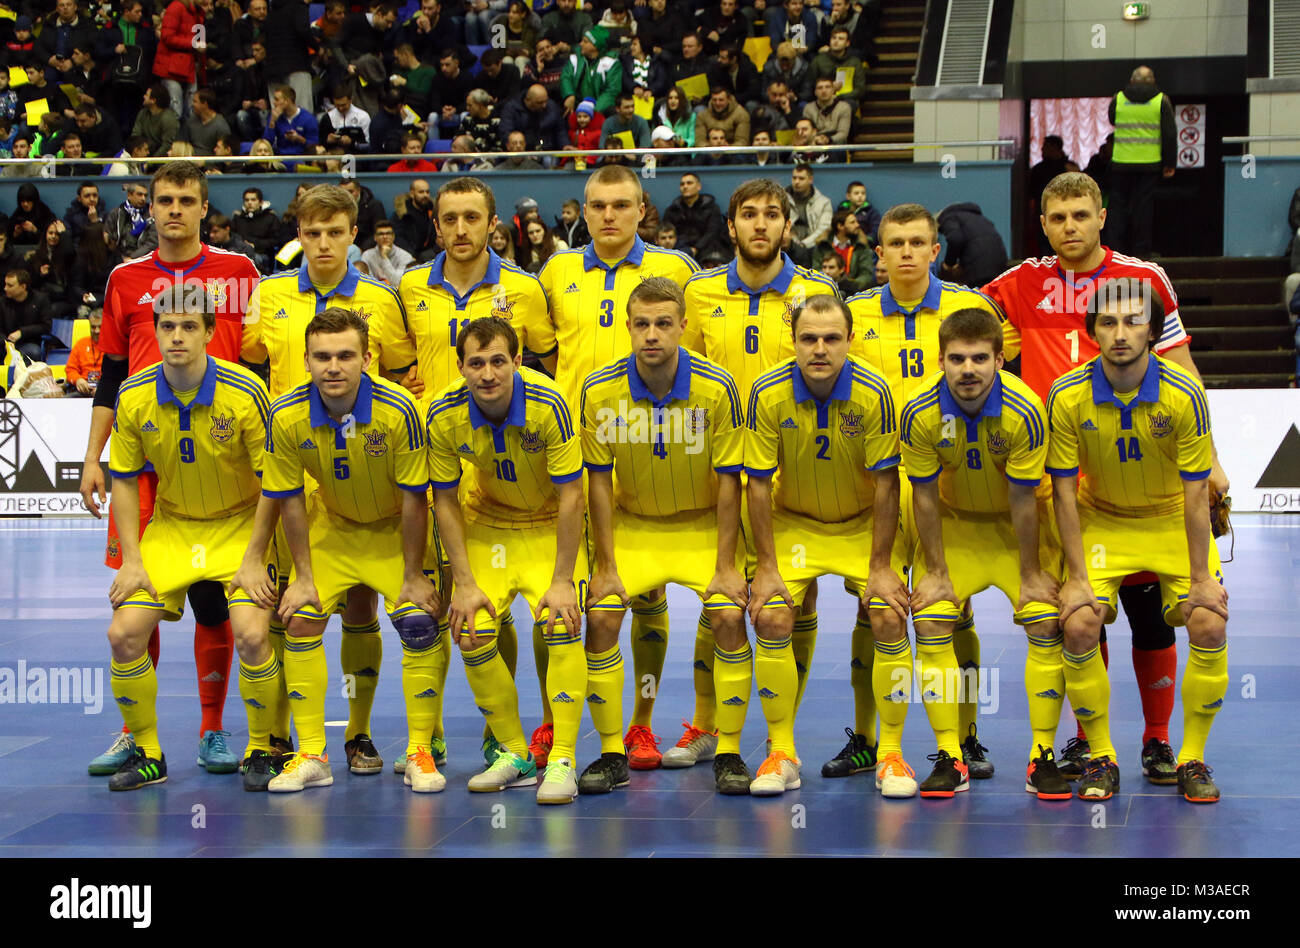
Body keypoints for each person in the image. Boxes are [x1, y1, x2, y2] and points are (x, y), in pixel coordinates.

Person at [982, 171, 1227, 784]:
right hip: (1057, 476)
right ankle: (1091, 742)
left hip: (1146, 471)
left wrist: (1214, 458)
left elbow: (1183, 368)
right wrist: (995, 337)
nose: (1070, 227)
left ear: (1101, 217)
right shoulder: (1019, 282)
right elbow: (959, 326)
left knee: (1150, 612)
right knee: (1079, 610)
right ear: (1043, 224)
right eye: (1058, 217)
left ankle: (1157, 740)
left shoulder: (1145, 280)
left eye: (1081, 215)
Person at [80, 161, 262, 780]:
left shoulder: (238, 273)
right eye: (164, 200)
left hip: (220, 458)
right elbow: (109, 370)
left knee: (216, 601)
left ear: (204, 207)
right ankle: (137, 733)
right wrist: (93, 456)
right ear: (149, 207)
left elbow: (262, 362)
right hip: (145, 455)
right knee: (139, 593)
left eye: (187, 199)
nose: (175, 210)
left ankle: (214, 728)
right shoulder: (125, 279)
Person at [240, 185, 418, 779]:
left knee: (363, 606)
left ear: (352, 235)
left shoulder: (380, 299)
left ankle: (360, 736)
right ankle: (277, 737)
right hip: (290, 471)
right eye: (312, 233)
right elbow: (245, 364)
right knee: (284, 609)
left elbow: (400, 371)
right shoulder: (267, 295)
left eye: (335, 231)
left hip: (363, 476)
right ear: (299, 234)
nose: (322, 244)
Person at [526, 165, 697, 767]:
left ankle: (642, 723)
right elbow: (545, 353)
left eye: (620, 205)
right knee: (564, 594)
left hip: (648, 451)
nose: (607, 216)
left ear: (642, 208)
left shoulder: (677, 271)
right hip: (571, 456)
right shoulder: (556, 271)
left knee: (643, 593)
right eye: (597, 205)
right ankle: (553, 717)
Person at [834, 202, 1004, 782]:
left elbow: (999, 388)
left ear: (937, 251)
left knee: (954, 609)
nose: (906, 252)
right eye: (894, 244)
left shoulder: (969, 308)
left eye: (917, 242)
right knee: (871, 610)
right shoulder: (852, 314)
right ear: (877, 255)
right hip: (877, 485)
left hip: (951, 486)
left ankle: (966, 737)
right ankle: (867, 737)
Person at [680, 180, 840, 773]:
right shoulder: (698, 292)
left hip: (793, 469)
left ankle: (783, 736)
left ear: (788, 227)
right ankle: (707, 726)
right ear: (731, 226)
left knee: (794, 596)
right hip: (717, 467)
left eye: (772, 215)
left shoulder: (814, 291)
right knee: (715, 597)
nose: (761, 225)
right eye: (748, 215)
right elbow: (687, 375)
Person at [1048, 279, 1227, 804]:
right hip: (1102, 520)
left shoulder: (1184, 393)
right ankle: (1102, 755)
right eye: (1108, 322)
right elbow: (1062, 494)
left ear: (1152, 328)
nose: (1120, 334)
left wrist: (1200, 581)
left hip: (1171, 518)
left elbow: (1197, 499)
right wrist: (1077, 577)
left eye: (1132, 321)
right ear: (1091, 331)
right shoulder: (1066, 393)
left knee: (1208, 622)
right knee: (1079, 622)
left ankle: (1189, 756)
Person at [100, 284, 278, 792]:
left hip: (240, 525)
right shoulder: (133, 395)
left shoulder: (246, 393)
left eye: (188, 327)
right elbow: (126, 480)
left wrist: (256, 555)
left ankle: (262, 749)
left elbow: (275, 482)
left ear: (209, 331)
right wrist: (132, 560)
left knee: (251, 634)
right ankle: (148, 751)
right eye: (167, 326)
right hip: (174, 527)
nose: (176, 337)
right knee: (123, 634)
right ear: (155, 331)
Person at [576, 276, 746, 794]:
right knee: (601, 618)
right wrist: (604, 565)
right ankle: (612, 751)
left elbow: (729, 480)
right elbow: (598, 485)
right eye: (643, 324)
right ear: (627, 327)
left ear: (683, 328)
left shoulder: (718, 388)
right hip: (634, 526)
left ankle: (730, 749)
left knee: (729, 615)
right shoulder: (599, 389)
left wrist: (725, 565)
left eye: (664, 324)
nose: (652, 334)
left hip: (701, 526)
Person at [262, 307, 442, 792]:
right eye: (322, 357)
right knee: (300, 614)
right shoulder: (285, 415)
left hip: (394, 531)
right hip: (334, 528)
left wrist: (412, 574)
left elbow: (413, 500)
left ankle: (420, 751)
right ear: (306, 360)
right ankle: (311, 752)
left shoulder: (400, 408)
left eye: (345, 355)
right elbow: (290, 499)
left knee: (419, 619)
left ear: (367, 358)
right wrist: (302, 576)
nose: (334, 367)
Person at [743, 294, 906, 796]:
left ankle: (891, 755)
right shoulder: (766, 392)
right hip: (796, 525)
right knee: (770, 613)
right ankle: (781, 751)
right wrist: (766, 567)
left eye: (831, 338)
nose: (820, 349)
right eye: (808, 338)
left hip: (861, 524)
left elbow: (886, 484)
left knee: (887, 612)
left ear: (849, 341)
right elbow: (757, 482)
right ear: (792, 341)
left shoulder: (875, 393)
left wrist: (881, 566)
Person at [901, 307, 1068, 799]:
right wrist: (934, 571)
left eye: (979, 358)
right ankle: (951, 755)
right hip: (954, 528)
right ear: (941, 360)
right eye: (956, 359)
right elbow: (924, 496)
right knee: (931, 617)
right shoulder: (919, 410)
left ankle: (1042, 756)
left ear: (1000, 358)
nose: (967, 369)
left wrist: (1033, 572)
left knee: (1043, 618)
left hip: (1016, 533)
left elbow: (1023, 498)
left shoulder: (1026, 410)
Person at [425, 316, 586, 800]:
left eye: (499, 361)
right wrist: (464, 582)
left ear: (518, 361)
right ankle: (514, 752)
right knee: (471, 625)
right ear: (461, 367)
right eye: (476, 363)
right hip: (490, 521)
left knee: (561, 620)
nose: (488, 374)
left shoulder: (548, 402)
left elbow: (572, 496)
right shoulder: (442, 413)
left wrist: (562, 580)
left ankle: (562, 759)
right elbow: (445, 500)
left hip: (547, 520)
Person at [1107, 66, 1177, 257]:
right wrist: (1170, 163)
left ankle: (1114, 251)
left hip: (1121, 162)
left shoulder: (1118, 98)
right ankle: (1141, 251)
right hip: (1149, 163)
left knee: (1118, 207)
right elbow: (1169, 134)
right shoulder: (1161, 100)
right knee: (1143, 207)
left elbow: (1112, 120)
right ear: (1153, 81)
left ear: (1131, 81)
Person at [936, 202, 1009, 288]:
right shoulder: (980, 219)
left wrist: (949, 264)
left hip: (979, 270)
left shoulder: (948, 218)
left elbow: (955, 238)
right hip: (999, 266)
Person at [663, 172, 729, 265]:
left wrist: (696, 248)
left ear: (698, 186)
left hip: (706, 250)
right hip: (679, 250)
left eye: (689, 183)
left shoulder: (711, 208)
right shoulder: (672, 210)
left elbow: (713, 232)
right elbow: (667, 231)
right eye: (682, 184)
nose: (685, 186)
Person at [153, 0, 205, 120]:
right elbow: (167, 36)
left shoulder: (197, 12)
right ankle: (173, 139)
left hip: (189, 66)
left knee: (192, 111)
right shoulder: (176, 7)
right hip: (171, 67)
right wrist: (194, 44)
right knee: (176, 112)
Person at [562, 26, 623, 115]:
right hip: (577, 104)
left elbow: (612, 91)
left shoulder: (611, 64)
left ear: (595, 46)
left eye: (585, 41)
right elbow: (566, 77)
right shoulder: (576, 58)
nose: (580, 44)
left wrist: (593, 111)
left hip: (599, 108)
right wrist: (569, 95)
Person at [2, 270, 52, 361]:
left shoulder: (40, 300)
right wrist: (6, 342)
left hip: (28, 342)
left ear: (23, 287)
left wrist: (22, 332)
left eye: (10, 285)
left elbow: (46, 326)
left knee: (33, 352)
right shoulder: (2, 302)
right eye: (5, 284)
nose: (5, 288)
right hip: (4, 344)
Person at [788, 163, 832, 253]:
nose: (796, 182)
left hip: (814, 248)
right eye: (794, 178)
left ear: (810, 179)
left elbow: (823, 228)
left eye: (801, 178)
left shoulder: (824, 202)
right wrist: (795, 244)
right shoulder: (782, 200)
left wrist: (803, 244)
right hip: (788, 247)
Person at [267, 84, 319, 158]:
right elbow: (266, 143)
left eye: (277, 99)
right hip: (280, 158)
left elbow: (315, 145)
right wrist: (272, 122)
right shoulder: (275, 117)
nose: (274, 103)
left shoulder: (308, 119)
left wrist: (300, 139)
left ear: (287, 101)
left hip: (302, 158)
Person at [394, 178, 439, 262]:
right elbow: (398, 238)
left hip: (430, 255)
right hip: (408, 255)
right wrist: (411, 254)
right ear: (412, 193)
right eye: (421, 192)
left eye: (427, 192)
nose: (425, 195)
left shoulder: (434, 211)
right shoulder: (402, 213)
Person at [130, 83, 180, 157]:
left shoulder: (168, 119)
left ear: (153, 100)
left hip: (161, 159)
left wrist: (149, 163)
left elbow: (167, 146)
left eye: (146, 95)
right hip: (144, 152)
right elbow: (135, 136)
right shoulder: (143, 113)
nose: (144, 96)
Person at [230, 188, 281, 260]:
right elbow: (232, 236)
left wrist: (255, 245)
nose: (249, 203)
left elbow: (275, 240)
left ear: (260, 202)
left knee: (251, 259)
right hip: (240, 251)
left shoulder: (270, 218)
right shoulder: (238, 218)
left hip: (261, 253)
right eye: (247, 200)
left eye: (253, 200)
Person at [65, 306, 105, 397]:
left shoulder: (114, 346)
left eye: (100, 327)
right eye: (93, 327)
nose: (96, 331)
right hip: (83, 389)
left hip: (105, 390)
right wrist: (78, 380)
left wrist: (103, 387)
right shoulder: (81, 344)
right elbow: (70, 370)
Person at [362, 219, 414, 286]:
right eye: (381, 234)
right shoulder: (367, 255)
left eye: (388, 233)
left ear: (393, 237)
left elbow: (398, 282)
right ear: (375, 237)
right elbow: (367, 283)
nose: (385, 237)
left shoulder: (405, 256)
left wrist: (384, 257)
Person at [179, 89, 232, 155]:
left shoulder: (221, 126)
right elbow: (182, 144)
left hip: (210, 163)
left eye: (195, 101)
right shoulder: (191, 120)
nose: (192, 104)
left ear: (205, 104)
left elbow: (223, 153)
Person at [803, 76, 851, 145]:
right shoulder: (808, 108)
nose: (824, 91)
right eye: (820, 88)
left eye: (827, 87)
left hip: (835, 143)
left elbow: (843, 133)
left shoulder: (844, 107)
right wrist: (816, 139)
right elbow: (807, 131)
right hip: (815, 142)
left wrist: (828, 140)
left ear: (833, 90)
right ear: (815, 92)